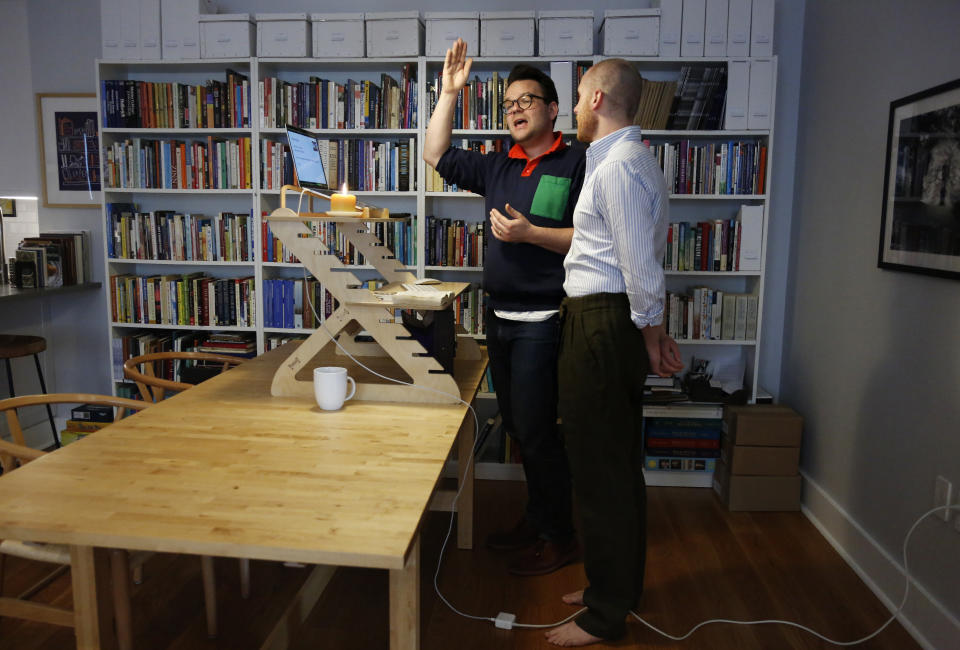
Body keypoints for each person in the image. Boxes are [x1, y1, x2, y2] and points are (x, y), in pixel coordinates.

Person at [423, 39, 585, 576]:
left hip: (546, 321)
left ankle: (560, 537)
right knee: (519, 427)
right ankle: (538, 520)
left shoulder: (579, 160)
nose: (515, 110)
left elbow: (591, 242)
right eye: (509, 103)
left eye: (527, 101)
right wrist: (449, 92)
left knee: (539, 432)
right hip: (500, 319)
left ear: (553, 108)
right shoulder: (497, 166)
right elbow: (434, 153)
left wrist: (531, 233)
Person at [545, 59, 685, 647]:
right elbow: (640, 258)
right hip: (612, 322)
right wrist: (651, 333)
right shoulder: (630, 161)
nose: (574, 108)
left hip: (603, 322)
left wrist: (652, 334)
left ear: (598, 98)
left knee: (601, 470)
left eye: (578, 98)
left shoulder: (621, 167)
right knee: (616, 465)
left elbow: (638, 267)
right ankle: (615, 586)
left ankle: (605, 613)